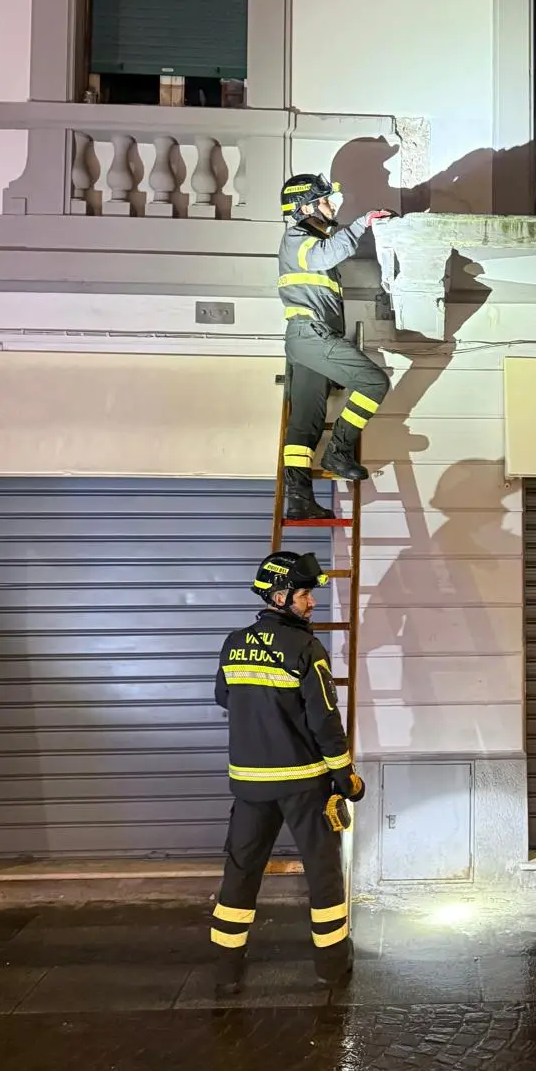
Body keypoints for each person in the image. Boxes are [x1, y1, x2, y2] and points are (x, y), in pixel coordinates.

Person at [210, 550, 364, 996]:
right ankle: (332, 964)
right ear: (280, 597)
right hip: (301, 783)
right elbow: (325, 722)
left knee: (241, 871)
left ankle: (226, 969)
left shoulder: (232, 643)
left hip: (249, 784)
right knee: (322, 869)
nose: (311, 602)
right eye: (303, 594)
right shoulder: (305, 648)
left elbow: (225, 697)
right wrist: (346, 778)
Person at [277, 173, 399, 522]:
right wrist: (363, 223)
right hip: (311, 336)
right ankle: (338, 452)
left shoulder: (302, 241)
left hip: (305, 340)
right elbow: (327, 255)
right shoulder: (298, 239)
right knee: (374, 383)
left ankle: (298, 500)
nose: (332, 205)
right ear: (305, 207)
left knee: (304, 425)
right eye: (325, 199)